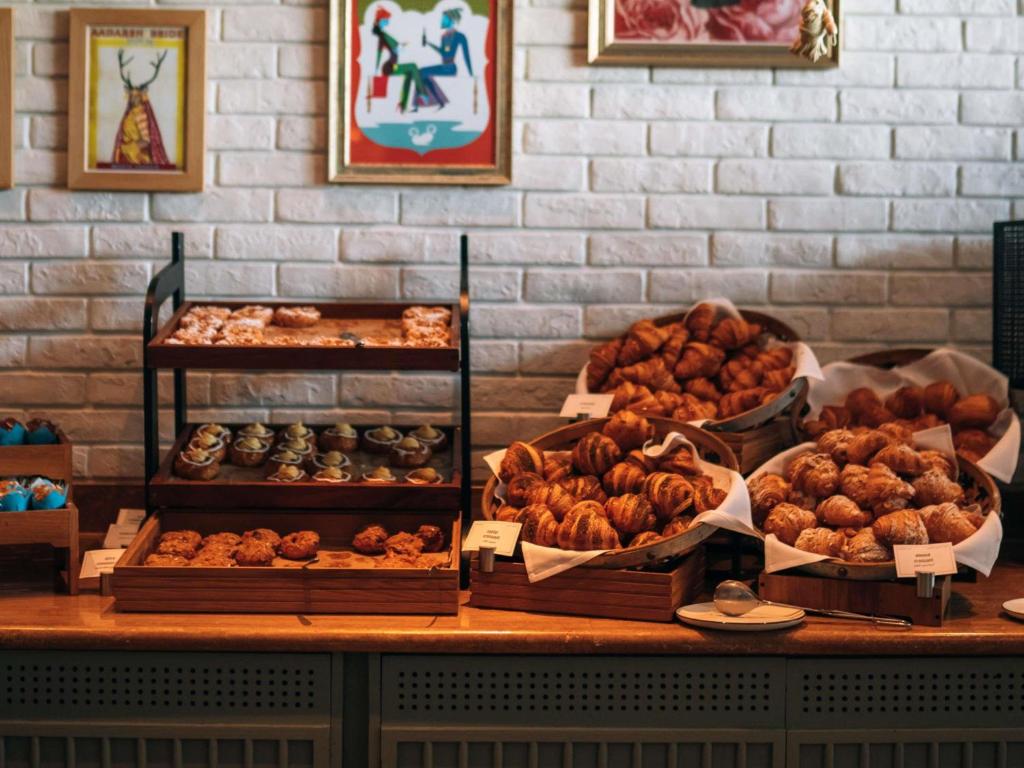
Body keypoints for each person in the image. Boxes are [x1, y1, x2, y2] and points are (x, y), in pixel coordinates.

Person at [415, 8, 473, 110]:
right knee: (420, 72)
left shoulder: (460, 36)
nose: (441, 21)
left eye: (444, 19)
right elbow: (443, 52)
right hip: (443, 66)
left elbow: (466, 55)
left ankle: (425, 100)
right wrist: (429, 43)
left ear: (451, 20)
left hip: (450, 68)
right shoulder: (443, 37)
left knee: (423, 73)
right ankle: (437, 101)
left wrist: (470, 73)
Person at [371, 7, 426, 112]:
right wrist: (401, 46)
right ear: (380, 20)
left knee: (409, 74)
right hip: (389, 67)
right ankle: (422, 93)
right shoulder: (383, 35)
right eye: (386, 19)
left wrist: (376, 69)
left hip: (390, 65)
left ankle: (403, 105)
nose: (388, 21)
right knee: (413, 66)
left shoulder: (382, 35)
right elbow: (394, 49)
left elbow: (381, 51)